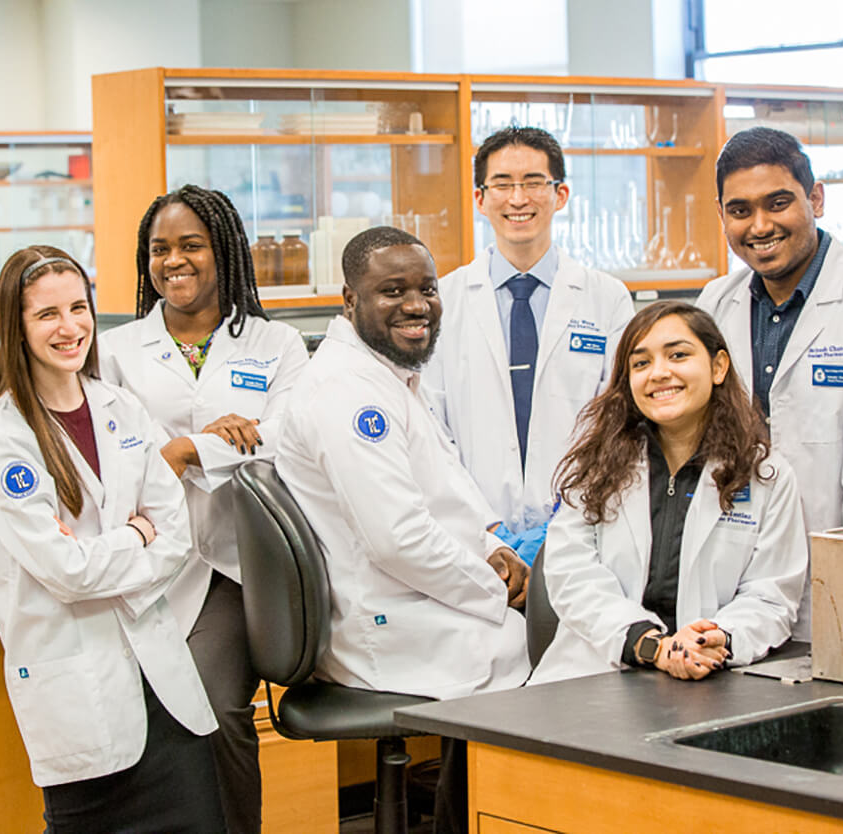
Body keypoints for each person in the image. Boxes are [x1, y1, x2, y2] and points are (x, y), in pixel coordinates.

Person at [276, 226, 530, 834]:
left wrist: (493, 549)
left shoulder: (388, 376)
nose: (417, 305)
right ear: (349, 300)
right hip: (386, 627)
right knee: (559, 661)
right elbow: (399, 539)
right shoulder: (347, 394)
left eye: (427, 288)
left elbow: (444, 497)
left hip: (416, 601)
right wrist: (495, 589)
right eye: (392, 290)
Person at [0, 245, 225, 833]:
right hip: (79, 696)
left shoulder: (120, 408)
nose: (70, 327)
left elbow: (176, 535)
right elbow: (68, 574)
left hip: (163, 690)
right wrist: (136, 533)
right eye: (47, 314)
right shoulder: (9, 441)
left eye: (78, 307)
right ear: (17, 326)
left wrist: (116, 549)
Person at [99, 185, 309, 834]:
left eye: (191, 245)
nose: (174, 261)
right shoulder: (116, 349)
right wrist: (205, 445)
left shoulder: (277, 345)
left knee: (216, 710)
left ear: (225, 253)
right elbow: (110, 460)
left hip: (237, 564)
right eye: (159, 249)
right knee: (142, 718)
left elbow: (291, 440)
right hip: (145, 562)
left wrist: (188, 449)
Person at [695, 127, 843, 641]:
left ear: (815, 198)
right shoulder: (713, 304)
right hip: (729, 596)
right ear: (722, 216)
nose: (759, 226)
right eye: (739, 211)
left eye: (778, 203)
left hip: (832, 588)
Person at [529, 301, 806, 686]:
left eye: (678, 355)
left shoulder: (765, 475)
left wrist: (715, 639)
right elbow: (572, 576)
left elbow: (771, 596)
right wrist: (651, 645)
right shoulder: (594, 468)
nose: (659, 373)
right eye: (641, 364)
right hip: (594, 677)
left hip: (712, 680)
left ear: (718, 366)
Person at [423, 126, 634, 563]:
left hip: (582, 530)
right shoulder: (447, 300)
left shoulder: (607, 298)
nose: (518, 199)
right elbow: (430, 431)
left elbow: (618, 421)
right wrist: (484, 525)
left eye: (534, 183)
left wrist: (567, 517)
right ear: (480, 199)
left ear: (560, 195)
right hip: (475, 536)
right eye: (502, 184)